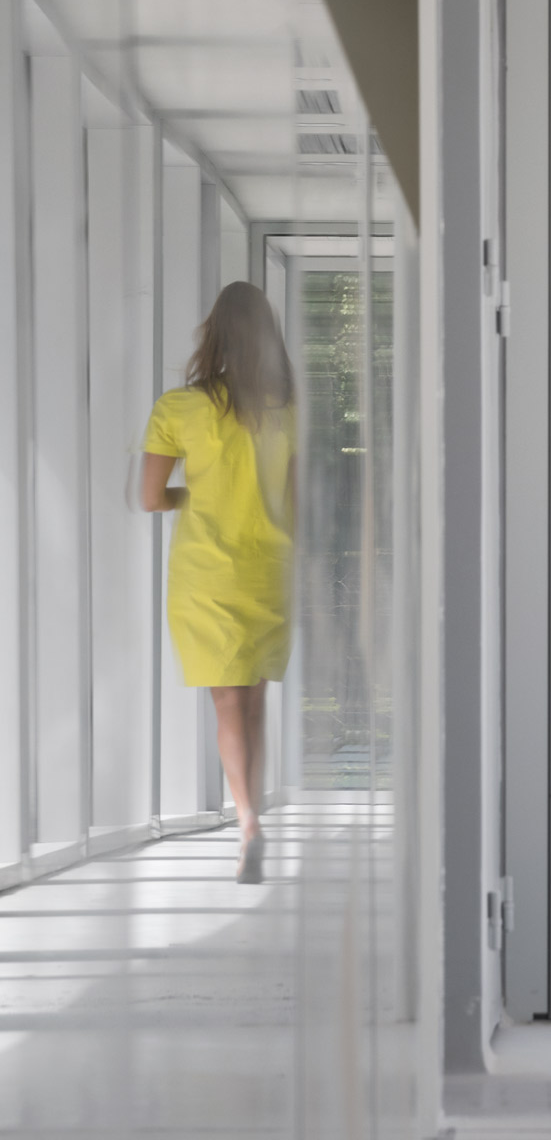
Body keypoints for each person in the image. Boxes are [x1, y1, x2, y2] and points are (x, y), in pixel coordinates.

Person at [141, 282, 296, 884]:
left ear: (216, 333)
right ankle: (253, 819)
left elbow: (152, 498)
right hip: (269, 571)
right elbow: (297, 504)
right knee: (254, 700)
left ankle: (249, 824)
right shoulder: (289, 409)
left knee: (227, 703)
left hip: (207, 574)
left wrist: (195, 494)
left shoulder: (179, 407)